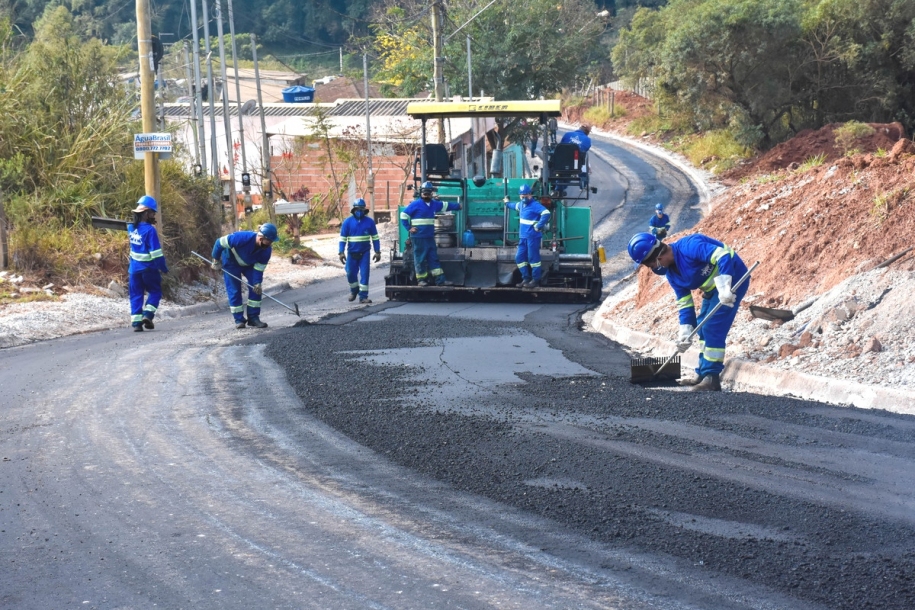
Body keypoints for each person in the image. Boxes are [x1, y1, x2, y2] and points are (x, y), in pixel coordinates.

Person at [627, 232, 750, 392]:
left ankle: (712, 378)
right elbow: (684, 303)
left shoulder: (689, 247)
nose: (653, 269)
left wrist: (725, 286)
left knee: (712, 327)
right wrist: (686, 331)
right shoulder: (672, 274)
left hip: (734, 278)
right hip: (712, 289)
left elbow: (723, 255)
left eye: (651, 265)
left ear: (658, 258)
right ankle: (703, 374)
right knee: (701, 327)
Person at [211, 223, 277, 329]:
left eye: (271, 242)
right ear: (261, 237)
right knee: (234, 290)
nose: (269, 244)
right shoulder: (242, 238)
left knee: (256, 289)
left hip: (249, 265)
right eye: (268, 241)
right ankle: (239, 320)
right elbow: (219, 242)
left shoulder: (266, 251)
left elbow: (259, 269)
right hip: (231, 263)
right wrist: (216, 259)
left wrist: (257, 282)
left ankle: (253, 318)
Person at [400, 181, 461, 287]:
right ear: (421, 193)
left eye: (428, 193)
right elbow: (403, 215)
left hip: (429, 237)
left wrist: (458, 206)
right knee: (420, 258)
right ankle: (421, 280)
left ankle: (440, 280)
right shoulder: (415, 204)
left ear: (431, 193)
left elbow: (446, 205)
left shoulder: (434, 204)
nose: (426, 195)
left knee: (433, 258)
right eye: (425, 193)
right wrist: (409, 228)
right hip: (419, 237)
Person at [127, 195, 168, 332]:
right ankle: (148, 315)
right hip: (149, 269)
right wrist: (163, 268)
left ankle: (137, 323)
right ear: (146, 213)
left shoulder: (130, 228)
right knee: (155, 292)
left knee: (136, 295)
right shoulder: (150, 230)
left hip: (134, 270)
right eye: (152, 213)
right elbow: (156, 253)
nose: (153, 215)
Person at [504, 184, 551, 288]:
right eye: (522, 196)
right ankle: (526, 278)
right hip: (523, 237)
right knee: (519, 258)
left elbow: (546, 213)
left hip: (533, 237)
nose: (524, 198)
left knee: (533, 259)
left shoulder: (535, 205)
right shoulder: (521, 205)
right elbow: (513, 205)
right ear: (520, 196)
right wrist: (506, 202)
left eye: (526, 195)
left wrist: (538, 226)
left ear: (530, 195)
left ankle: (535, 280)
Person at [339, 198, 381, 304]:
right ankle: (354, 290)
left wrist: (377, 252)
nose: (359, 211)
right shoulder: (347, 222)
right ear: (353, 209)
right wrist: (341, 252)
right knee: (350, 273)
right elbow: (342, 239)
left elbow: (375, 238)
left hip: (365, 253)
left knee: (364, 274)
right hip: (352, 252)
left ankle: (363, 296)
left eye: (361, 209)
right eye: (357, 209)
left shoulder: (370, 222)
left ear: (364, 210)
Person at [560, 124, 592, 189]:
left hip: (562, 162)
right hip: (576, 164)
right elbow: (584, 151)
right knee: (582, 161)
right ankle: (583, 185)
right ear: (587, 133)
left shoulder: (567, 134)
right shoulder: (587, 140)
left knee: (563, 174)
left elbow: (561, 146)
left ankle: (559, 189)